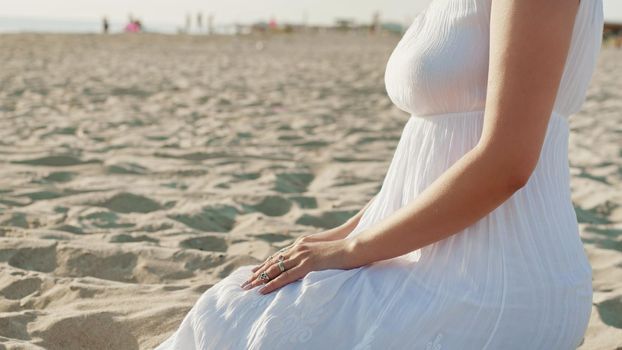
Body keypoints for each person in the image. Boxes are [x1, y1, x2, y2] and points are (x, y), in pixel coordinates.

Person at [155, 0, 604, 348]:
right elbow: (434, 163)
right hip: (428, 253)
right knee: (233, 305)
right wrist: (343, 234)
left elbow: (507, 164)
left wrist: (354, 248)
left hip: (492, 279)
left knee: (236, 323)